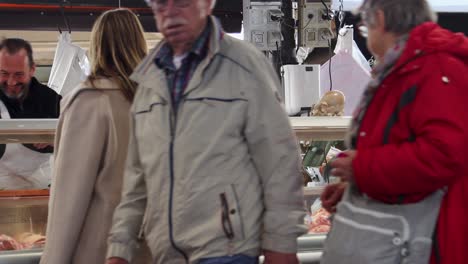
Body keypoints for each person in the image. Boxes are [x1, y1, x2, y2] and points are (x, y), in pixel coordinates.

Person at [105, 0, 307, 263]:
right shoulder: (149, 78)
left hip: (227, 250)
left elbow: (279, 162)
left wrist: (281, 246)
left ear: (208, 4)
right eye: (161, 5)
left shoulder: (244, 65)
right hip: (166, 254)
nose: (171, 14)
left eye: (182, 3)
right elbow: (136, 179)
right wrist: (119, 249)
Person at [321, 0, 468, 263]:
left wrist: (363, 168)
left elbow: (443, 155)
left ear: (380, 19)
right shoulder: (404, 68)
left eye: (365, 29)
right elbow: (400, 141)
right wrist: (358, 187)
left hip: (429, 241)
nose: (366, 39)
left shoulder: (436, 68)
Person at [39, 8, 148, 264]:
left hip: (101, 249)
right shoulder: (161, 100)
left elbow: (70, 196)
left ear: (96, 45)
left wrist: (53, 259)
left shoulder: (89, 101)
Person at [0, 38, 62, 189]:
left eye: (19, 74)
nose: (11, 82)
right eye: (4, 73)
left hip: (45, 189)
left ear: (32, 70)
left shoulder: (51, 100)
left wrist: (56, 139)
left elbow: (79, 141)